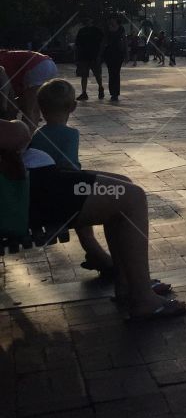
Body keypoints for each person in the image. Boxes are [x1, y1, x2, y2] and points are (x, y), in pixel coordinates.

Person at [0, 114, 186, 321]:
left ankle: (127, 283)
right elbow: (15, 135)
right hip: (24, 194)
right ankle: (143, 299)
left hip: (31, 182)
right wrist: (19, 124)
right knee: (131, 197)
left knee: (122, 183)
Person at [30, 78, 115, 273]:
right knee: (87, 216)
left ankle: (95, 254)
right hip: (60, 191)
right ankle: (100, 257)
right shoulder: (71, 134)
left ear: (41, 108)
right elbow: (69, 167)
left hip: (42, 192)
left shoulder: (38, 134)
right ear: (73, 107)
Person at [0, 48, 59, 128]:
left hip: (36, 68)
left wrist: (7, 107)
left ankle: (28, 135)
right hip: (48, 63)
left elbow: (8, 88)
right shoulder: (7, 55)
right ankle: (30, 131)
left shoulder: (3, 62)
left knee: (29, 109)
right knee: (33, 106)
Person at [74, 19, 105, 101]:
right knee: (84, 75)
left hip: (94, 56)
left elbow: (102, 42)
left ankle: (100, 87)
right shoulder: (82, 31)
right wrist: (77, 57)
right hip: (83, 56)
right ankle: (84, 92)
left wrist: (99, 55)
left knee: (97, 74)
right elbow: (77, 45)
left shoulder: (97, 30)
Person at [102, 17, 127, 103]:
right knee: (111, 73)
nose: (111, 20)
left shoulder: (121, 28)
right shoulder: (107, 29)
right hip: (109, 53)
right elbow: (104, 41)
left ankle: (115, 93)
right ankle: (112, 92)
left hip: (118, 53)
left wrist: (126, 52)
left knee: (116, 73)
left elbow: (124, 40)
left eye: (113, 19)